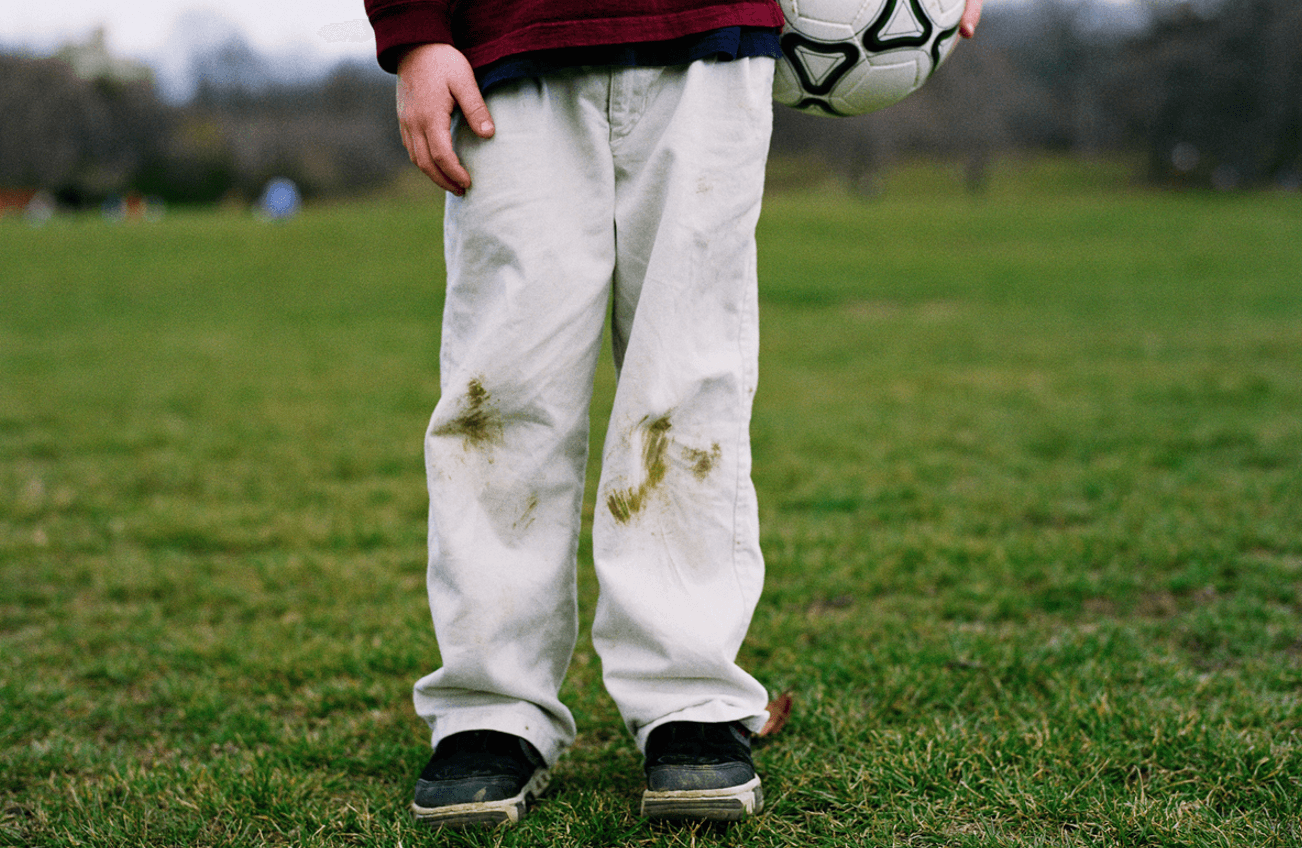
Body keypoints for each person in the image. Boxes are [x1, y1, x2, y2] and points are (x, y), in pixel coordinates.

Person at [362, 0, 983, 829]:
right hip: (507, 47)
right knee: (499, 394)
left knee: (686, 381)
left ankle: (688, 699)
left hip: (709, 37)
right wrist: (416, 32)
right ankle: (490, 707)